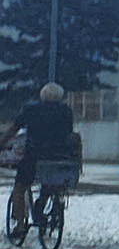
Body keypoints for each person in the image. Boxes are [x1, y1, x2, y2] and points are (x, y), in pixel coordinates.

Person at [4, 83, 74, 235]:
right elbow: (69, 133)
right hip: (59, 158)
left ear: (42, 96)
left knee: (20, 188)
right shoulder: (67, 112)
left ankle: (21, 225)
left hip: (34, 157)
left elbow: (14, 128)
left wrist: (3, 142)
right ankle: (42, 204)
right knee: (51, 183)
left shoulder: (31, 110)